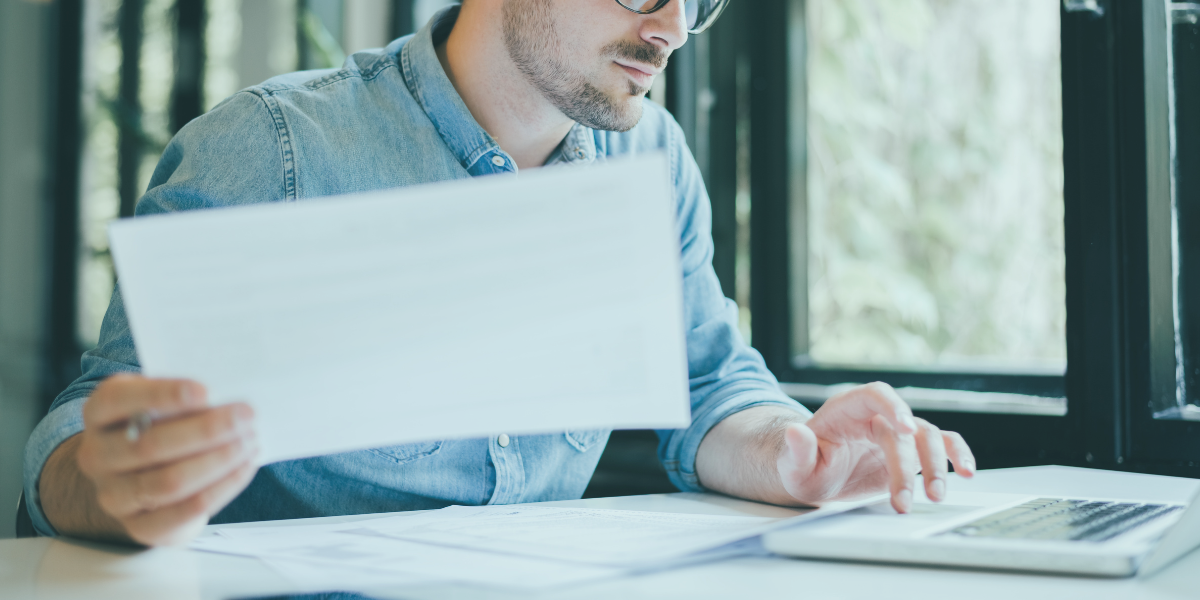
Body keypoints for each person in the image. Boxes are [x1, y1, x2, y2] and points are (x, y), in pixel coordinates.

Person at [24, 0, 975, 547]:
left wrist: (794, 454)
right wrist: (104, 482)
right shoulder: (273, 148)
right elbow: (96, 424)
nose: (676, 27)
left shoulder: (651, 161)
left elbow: (710, 384)